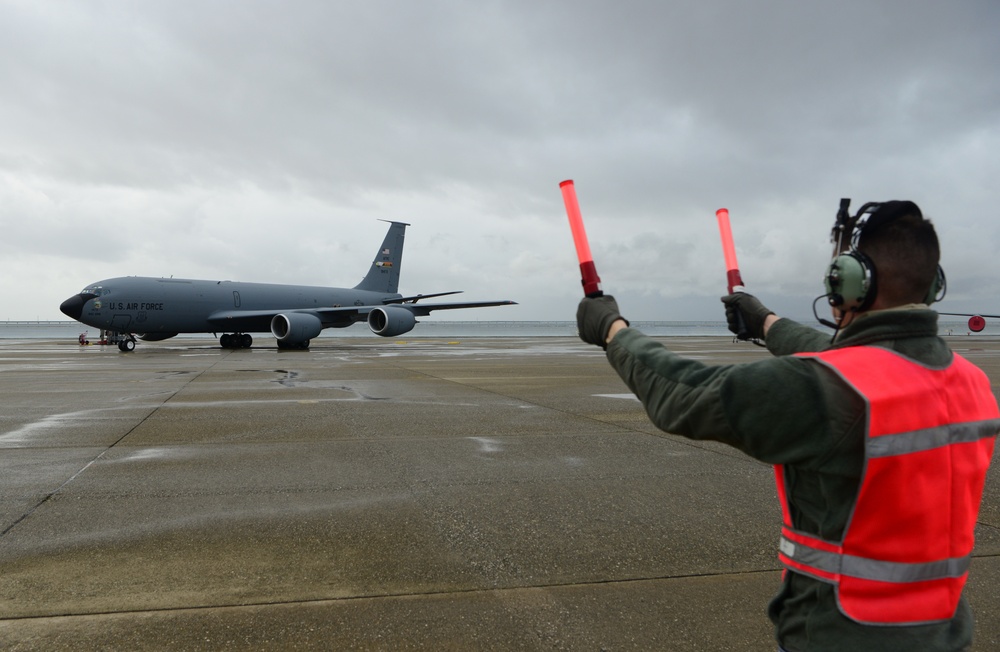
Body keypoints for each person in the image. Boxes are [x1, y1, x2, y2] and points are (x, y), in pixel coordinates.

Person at [576, 200, 999, 651]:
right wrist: (766, 322)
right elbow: (853, 360)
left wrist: (613, 330)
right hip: (943, 635)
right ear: (933, 284)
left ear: (849, 283)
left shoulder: (836, 391)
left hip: (839, 635)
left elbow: (684, 395)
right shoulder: (970, 383)